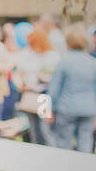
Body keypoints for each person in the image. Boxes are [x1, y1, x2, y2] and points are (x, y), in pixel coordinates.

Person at [47, 25, 96, 153]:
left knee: (64, 143)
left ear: (68, 43)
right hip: (88, 109)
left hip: (67, 108)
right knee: (86, 142)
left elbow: (53, 89)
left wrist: (48, 110)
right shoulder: (92, 62)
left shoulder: (63, 62)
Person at [12, 28, 58, 144]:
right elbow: (18, 72)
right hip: (29, 95)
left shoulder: (52, 56)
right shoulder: (26, 54)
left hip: (43, 95)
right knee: (32, 127)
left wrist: (39, 75)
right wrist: (21, 84)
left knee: (44, 128)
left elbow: (53, 78)